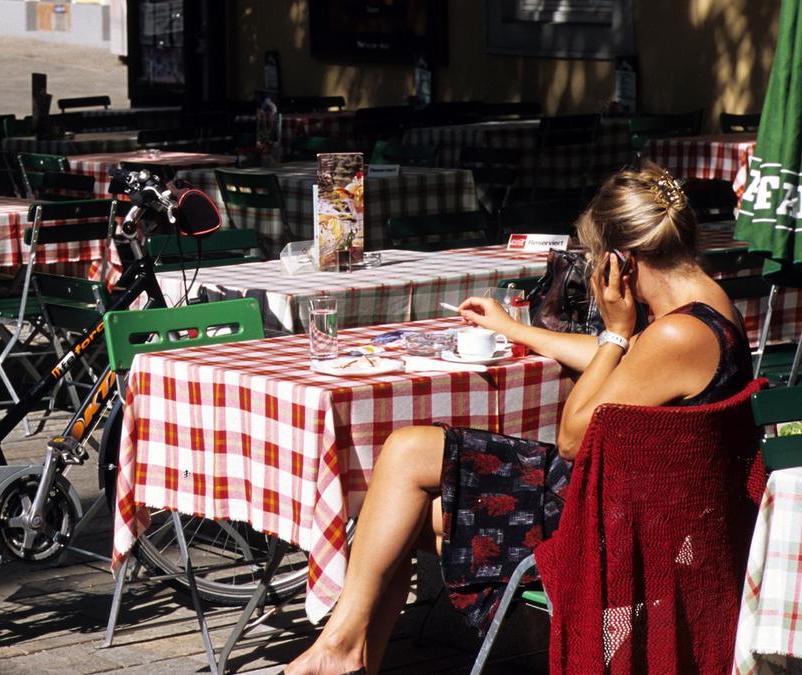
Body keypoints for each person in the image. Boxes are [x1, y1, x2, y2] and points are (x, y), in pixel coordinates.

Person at [285, 163, 754, 675]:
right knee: (406, 458)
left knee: (402, 499)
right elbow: (625, 361)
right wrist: (517, 329)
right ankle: (347, 653)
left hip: (609, 517)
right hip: (638, 499)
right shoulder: (705, 306)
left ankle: (343, 651)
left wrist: (616, 332)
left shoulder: (676, 336)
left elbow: (575, 437)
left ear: (621, 261)